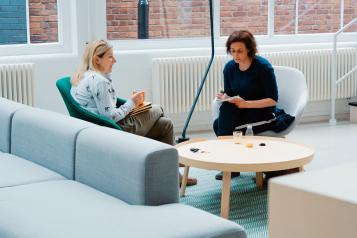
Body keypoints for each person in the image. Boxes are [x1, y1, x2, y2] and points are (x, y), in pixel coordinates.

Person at [70, 40, 197, 186]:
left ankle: (174, 174)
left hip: (103, 128)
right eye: (110, 57)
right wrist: (132, 103)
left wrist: (131, 104)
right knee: (157, 109)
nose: (115, 60)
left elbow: (104, 107)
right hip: (114, 130)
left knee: (165, 124)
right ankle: (173, 162)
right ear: (97, 59)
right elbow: (110, 116)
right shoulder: (99, 81)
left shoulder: (86, 76)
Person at [213, 30, 294, 180]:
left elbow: (272, 100)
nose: (235, 55)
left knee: (220, 125)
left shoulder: (263, 67)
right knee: (219, 121)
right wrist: (224, 97)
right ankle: (231, 165)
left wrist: (246, 104)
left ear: (249, 49)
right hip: (242, 111)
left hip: (263, 113)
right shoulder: (230, 67)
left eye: (240, 51)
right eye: (232, 51)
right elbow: (230, 94)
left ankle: (228, 164)